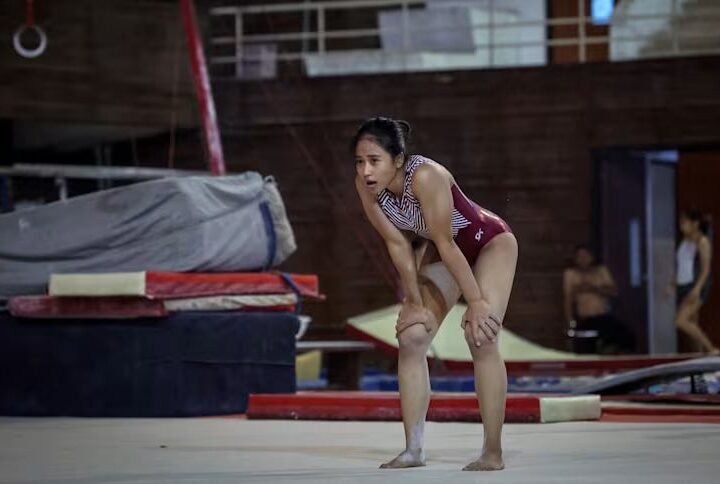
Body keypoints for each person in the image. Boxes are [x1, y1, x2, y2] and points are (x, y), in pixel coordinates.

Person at [352, 117, 517, 471]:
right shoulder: (367, 187)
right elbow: (397, 243)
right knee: (412, 336)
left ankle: (492, 451)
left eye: (374, 160)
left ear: (397, 160)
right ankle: (413, 449)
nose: (365, 170)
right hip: (444, 253)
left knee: (481, 336)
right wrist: (413, 303)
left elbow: (446, 241)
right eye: (359, 161)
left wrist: (476, 303)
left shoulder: (426, 176)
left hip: (488, 244)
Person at [563, 245, 635, 354]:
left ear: (592, 257)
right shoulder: (571, 274)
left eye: (586, 256)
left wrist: (593, 288)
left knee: (627, 336)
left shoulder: (601, 271)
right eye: (580, 256)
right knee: (586, 347)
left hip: (602, 317)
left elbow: (613, 291)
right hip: (584, 318)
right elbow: (568, 299)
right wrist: (570, 322)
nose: (583, 259)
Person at [672, 209, 717, 354]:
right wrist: (672, 282)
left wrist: (697, 289)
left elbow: (705, 269)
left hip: (696, 285)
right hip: (683, 284)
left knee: (681, 321)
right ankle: (699, 354)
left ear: (695, 224)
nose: (681, 226)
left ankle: (711, 348)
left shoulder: (702, 242)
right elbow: (681, 264)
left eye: (685, 223)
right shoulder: (684, 241)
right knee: (692, 323)